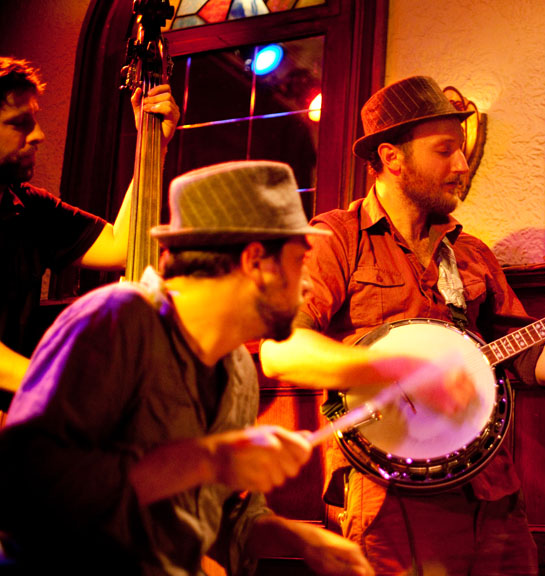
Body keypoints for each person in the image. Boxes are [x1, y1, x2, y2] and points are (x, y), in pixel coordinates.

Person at [259, 75, 545, 575]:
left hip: (489, 494)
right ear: (392, 157)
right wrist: (391, 365)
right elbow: (282, 349)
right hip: (387, 500)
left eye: (461, 151)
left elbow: (526, 359)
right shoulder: (336, 237)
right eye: (445, 150)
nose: (462, 166)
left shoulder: (471, 254)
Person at [0, 160, 374, 575]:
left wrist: (299, 539)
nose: (306, 283)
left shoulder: (237, 370)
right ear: (255, 261)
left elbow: (228, 517)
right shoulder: (117, 320)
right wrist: (205, 459)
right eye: (298, 261)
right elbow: (26, 491)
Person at [0, 56, 179, 400]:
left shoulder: (30, 208)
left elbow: (122, 246)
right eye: (19, 123)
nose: (38, 134)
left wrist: (153, 144)